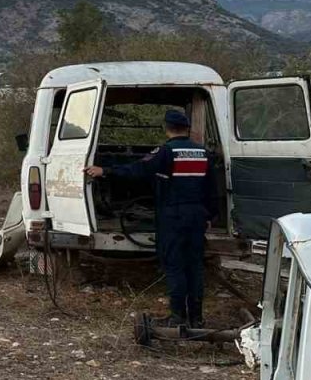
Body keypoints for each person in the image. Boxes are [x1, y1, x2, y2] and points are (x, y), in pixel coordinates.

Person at [84, 109, 216, 327]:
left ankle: (177, 317)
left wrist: (104, 171)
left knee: (174, 265)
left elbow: (138, 170)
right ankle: (197, 318)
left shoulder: (165, 152)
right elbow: (211, 188)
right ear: (187, 128)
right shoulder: (202, 153)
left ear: (166, 128)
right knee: (194, 266)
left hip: (173, 215)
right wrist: (211, 215)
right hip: (197, 215)